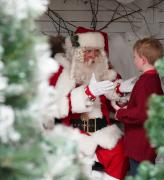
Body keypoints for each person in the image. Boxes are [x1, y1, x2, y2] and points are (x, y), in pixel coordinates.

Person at [47, 26, 135, 180]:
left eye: (97, 51)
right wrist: (88, 93)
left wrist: (121, 96)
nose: (93, 55)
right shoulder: (61, 72)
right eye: (89, 50)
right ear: (78, 51)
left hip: (99, 127)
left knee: (120, 153)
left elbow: (111, 104)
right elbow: (54, 106)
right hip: (70, 127)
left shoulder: (105, 72)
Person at [115, 37, 164, 177]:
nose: (134, 60)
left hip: (140, 144)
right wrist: (130, 103)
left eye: (135, 57)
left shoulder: (144, 82)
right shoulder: (154, 79)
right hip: (147, 142)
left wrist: (121, 114)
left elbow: (142, 114)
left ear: (143, 59)